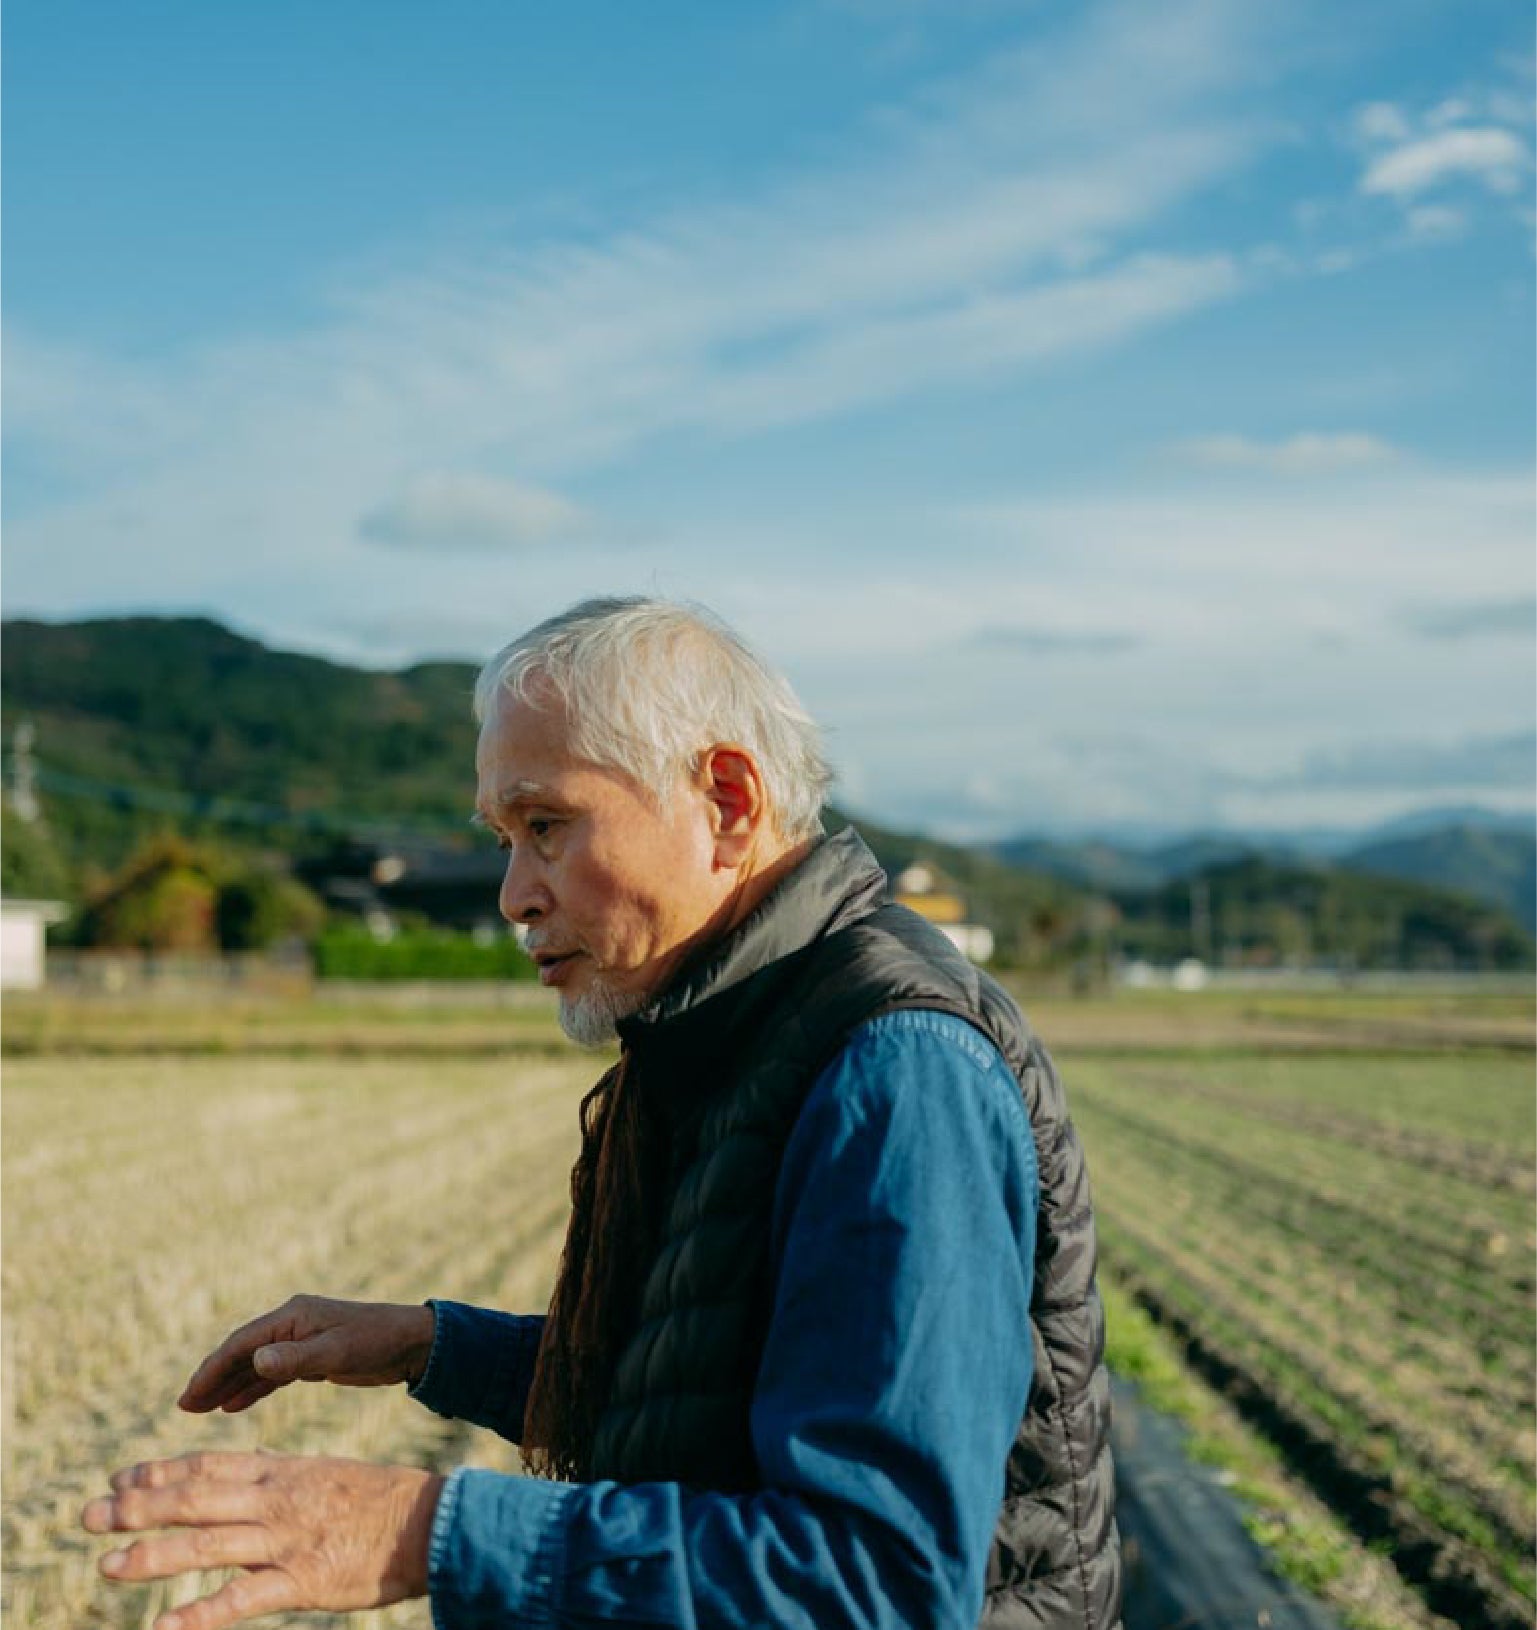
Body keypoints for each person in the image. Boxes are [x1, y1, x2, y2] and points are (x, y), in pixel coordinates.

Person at [83, 597, 1121, 1630]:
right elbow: (706, 1396)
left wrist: (422, 1529)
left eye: (546, 826)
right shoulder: (729, 1036)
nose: (512, 895)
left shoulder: (894, 1070)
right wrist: (428, 1344)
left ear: (724, 799)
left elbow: (874, 1579)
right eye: (501, 838)